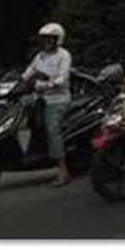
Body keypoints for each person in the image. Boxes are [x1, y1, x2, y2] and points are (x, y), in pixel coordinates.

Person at [21, 21, 73, 187]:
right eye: (44, 39)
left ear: (58, 39)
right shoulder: (40, 56)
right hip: (39, 99)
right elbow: (28, 73)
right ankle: (34, 152)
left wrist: (46, 85)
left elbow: (62, 78)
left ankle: (63, 171)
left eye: (50, 39)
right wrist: (17, 83)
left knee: (52, 129)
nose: (46, 42)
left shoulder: (64, 55)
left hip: (58, 100)